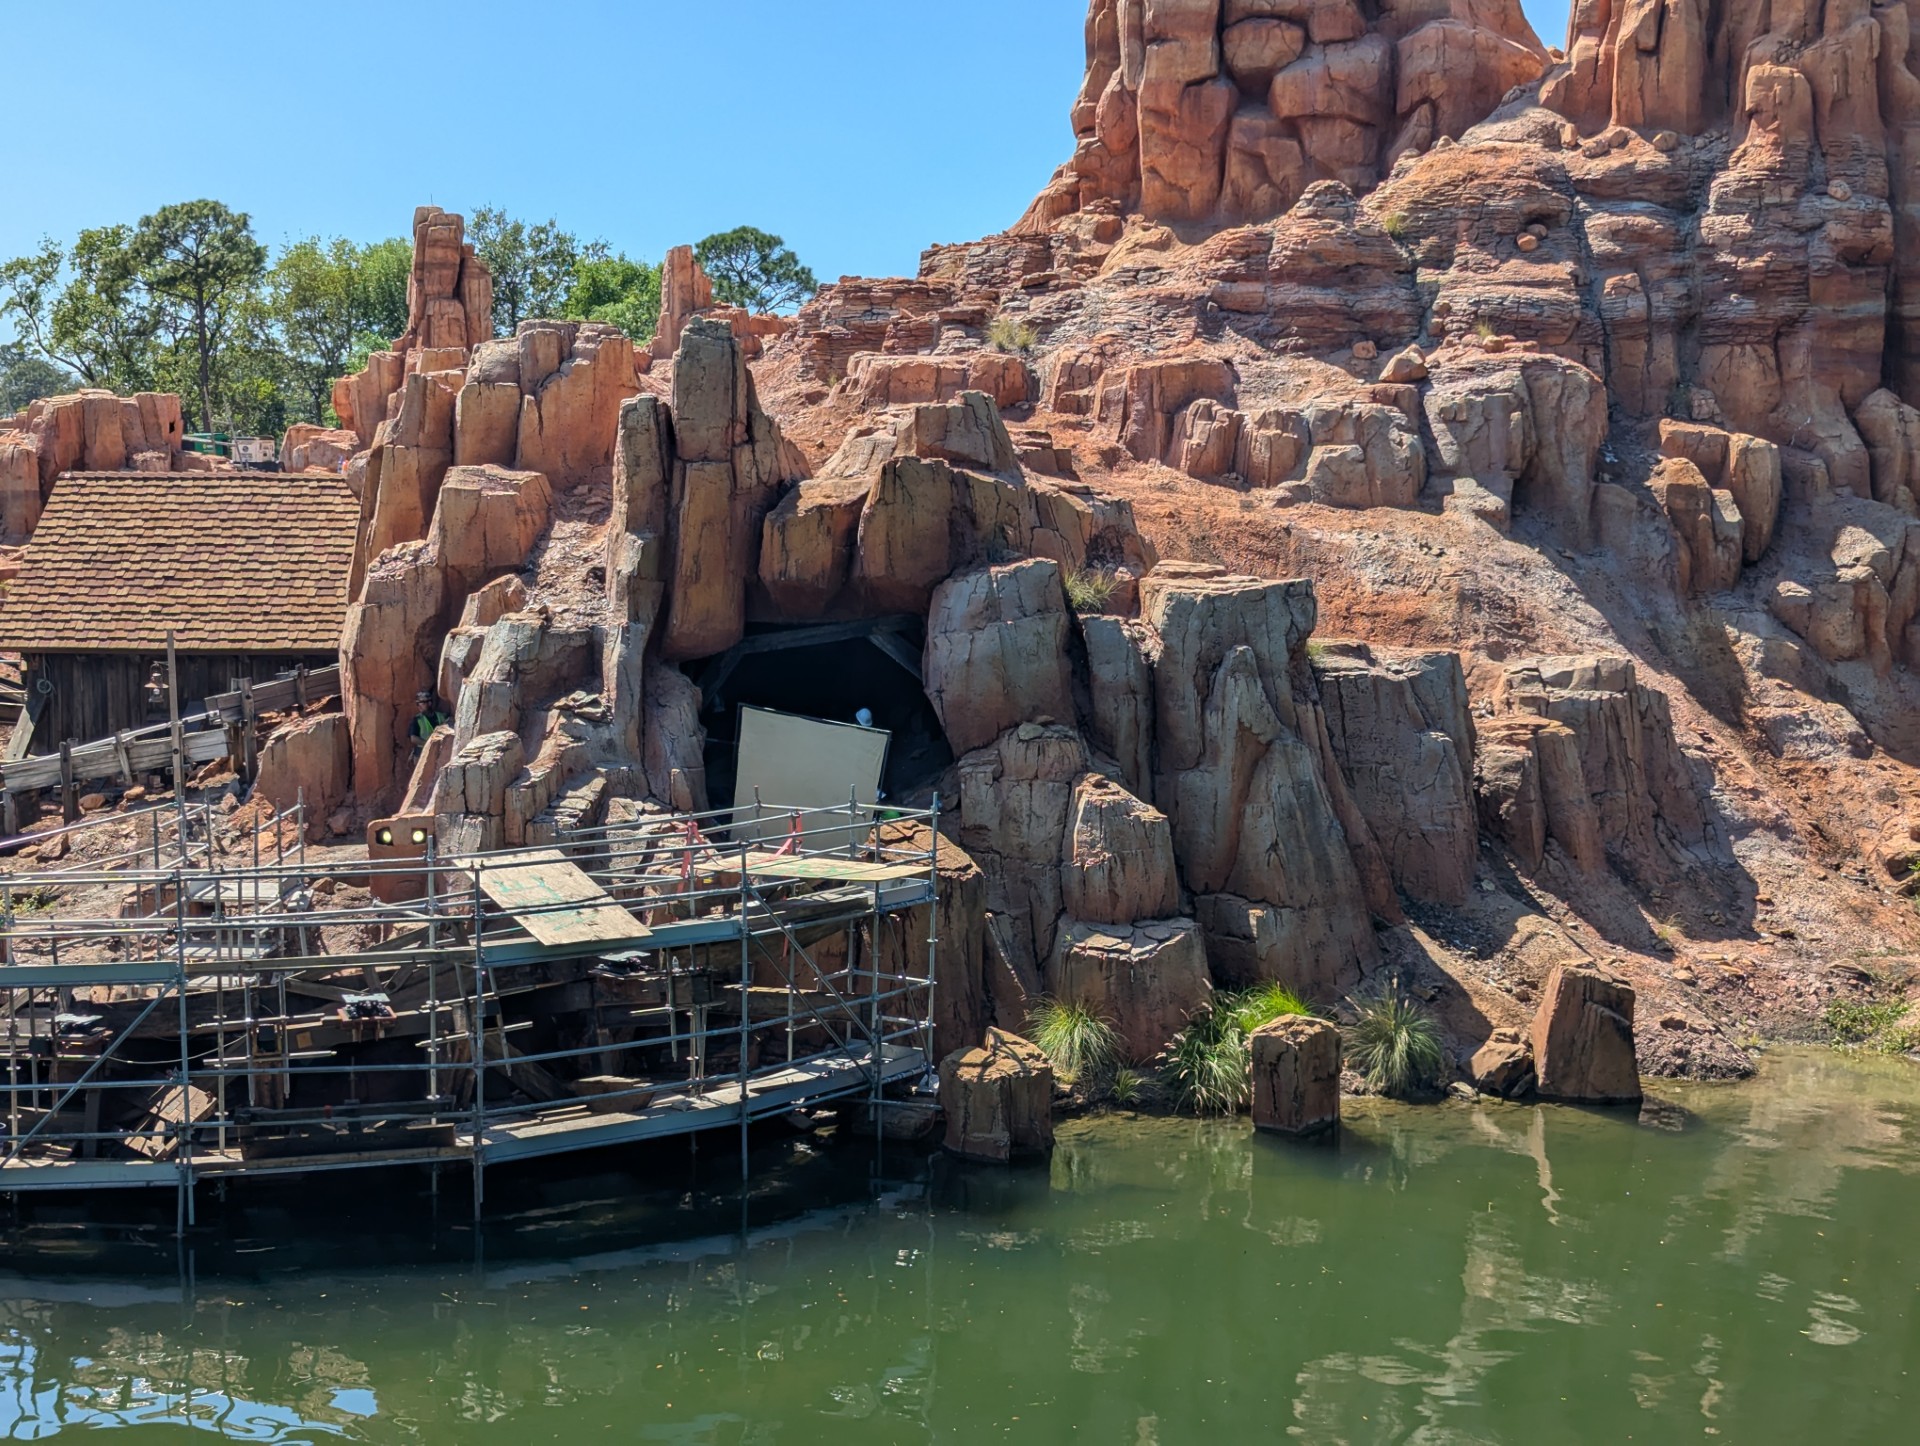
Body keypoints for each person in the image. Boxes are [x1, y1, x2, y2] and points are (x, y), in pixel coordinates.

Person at [410, 690, 448, 755]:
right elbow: (413, 738)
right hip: (422, 751)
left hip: (440, 750)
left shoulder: (441, 716)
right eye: (417, 704)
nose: (419, 706)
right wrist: (429, 745)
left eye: (422, 703)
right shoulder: (418, 719)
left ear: (429, 703)